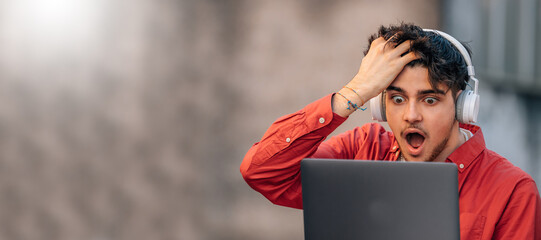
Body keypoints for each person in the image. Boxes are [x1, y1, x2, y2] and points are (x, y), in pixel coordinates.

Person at [240, 23, 541, 239]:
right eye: (397, 99)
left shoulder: (512, 191)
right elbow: (263, 171)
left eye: (430, 99)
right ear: (380, 107)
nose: (411, 115)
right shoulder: (364, 148)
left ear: (463, 106)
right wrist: (352, 93)